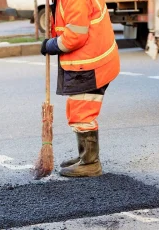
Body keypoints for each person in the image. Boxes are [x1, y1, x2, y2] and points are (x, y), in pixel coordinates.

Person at [41, 0, 120, 177]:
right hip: (90, 61)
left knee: (82, 114)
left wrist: (50, 45)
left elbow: (75, 37)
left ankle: (91, 163)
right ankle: (85, 156)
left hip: (91, 64)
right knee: (77, 110)